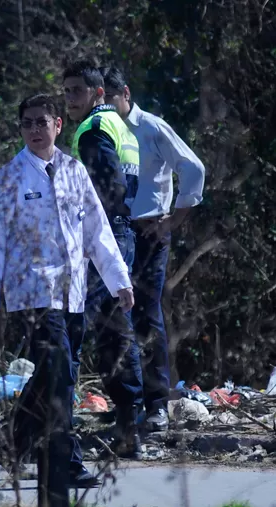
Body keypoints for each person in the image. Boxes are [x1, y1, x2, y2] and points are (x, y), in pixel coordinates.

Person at [0, 93, 134, 488]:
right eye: (27, 123)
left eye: (41, 122)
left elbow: (96, 230)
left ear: (58, 125)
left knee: (56, 377)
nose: (34, 129)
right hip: (31, 292)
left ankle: (11, 441)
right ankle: (66, 461)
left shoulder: (74, 171)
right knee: (60, 373)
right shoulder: (7, 179)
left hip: (73, 292)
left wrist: (120, 280)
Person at [101, 66, 206, 432]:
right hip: (114, 232)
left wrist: (172, 221)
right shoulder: (101, 131)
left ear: (125, 94)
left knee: (147, 315)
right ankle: (126, 405)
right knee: (115, 317)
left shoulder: (151, 127)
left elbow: (192, 168)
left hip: (148, 229)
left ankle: (157, 403)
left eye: (111, 98)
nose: (107, 106)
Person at [63, 60, 145, 459]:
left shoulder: (93, 130)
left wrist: (87, 230)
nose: (69, 99)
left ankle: (128, 426)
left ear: (98, 93)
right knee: (116, 331)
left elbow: (106, 187)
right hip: (122, 232)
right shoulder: (122, 126)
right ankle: (130, 424)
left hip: (105, 236)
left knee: (102, 335)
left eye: (77, 90)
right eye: (66, 91)